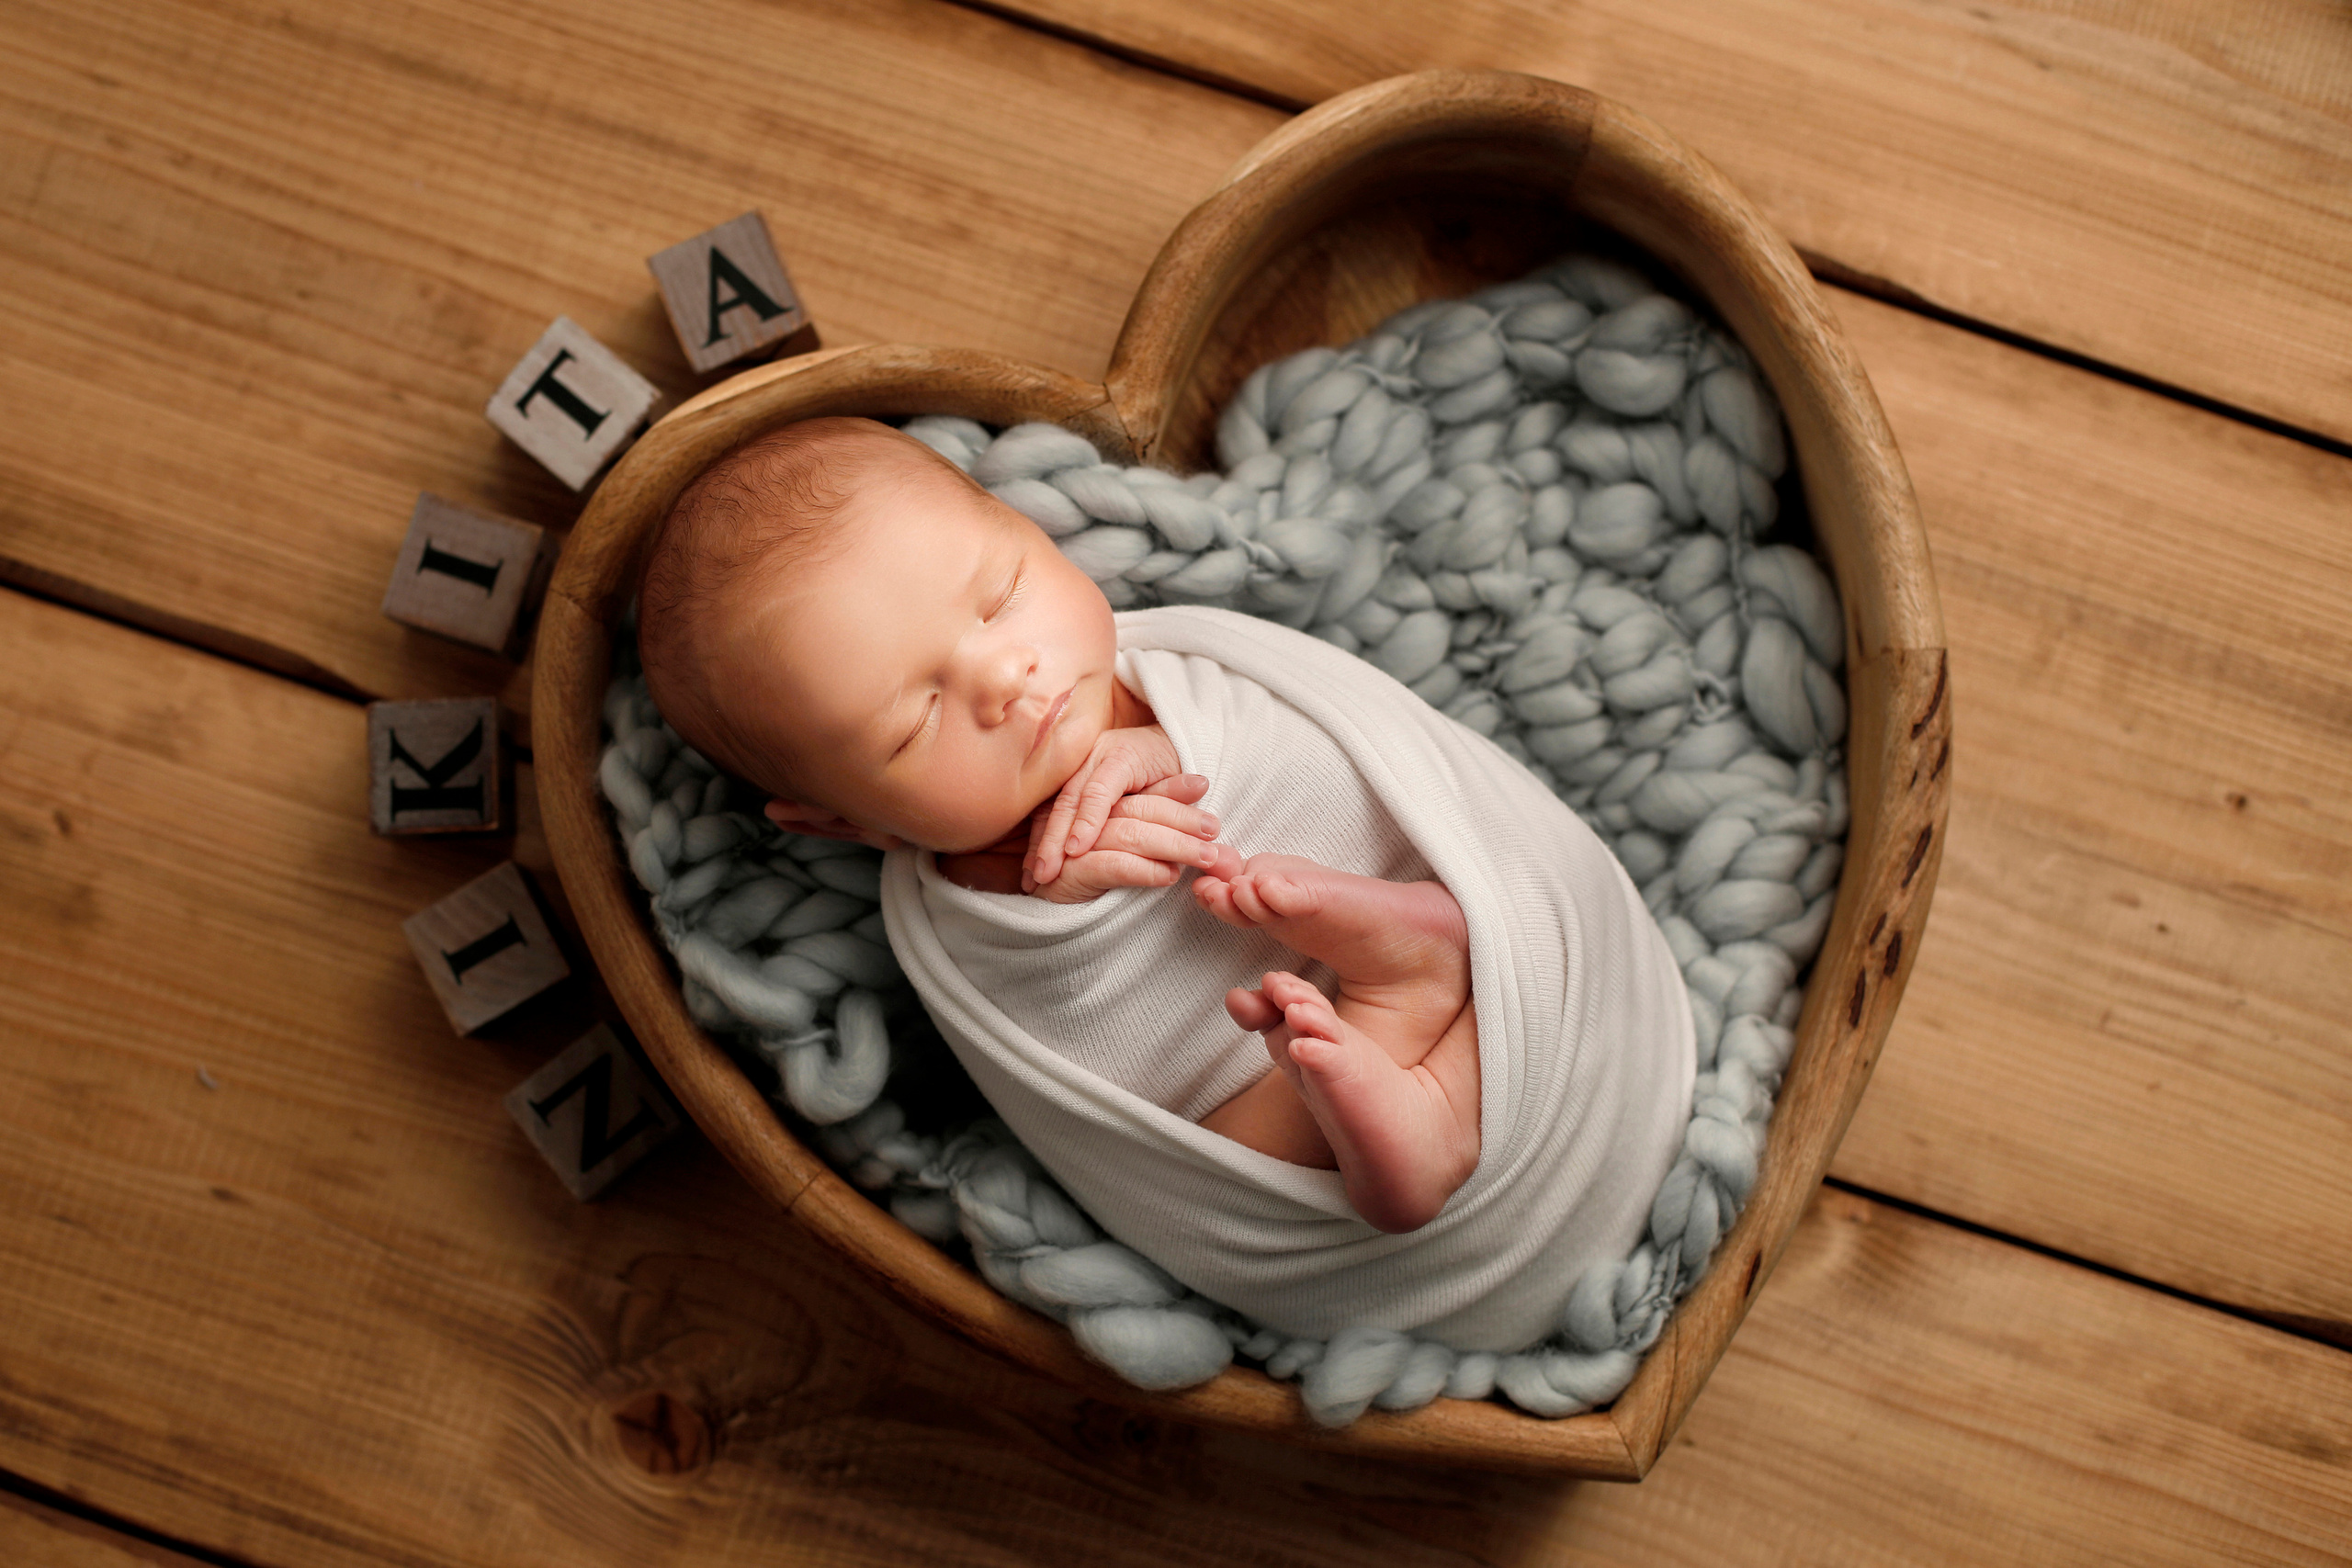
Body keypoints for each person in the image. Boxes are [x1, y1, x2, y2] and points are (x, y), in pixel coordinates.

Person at [638, 415, 1481, 1232]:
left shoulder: (1188, 668)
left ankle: (1412, 997)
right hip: (1284, 1100)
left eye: (1001, 596)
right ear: (839, 820)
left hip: (1495, 983)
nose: (1004, 675)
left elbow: (1341, 741)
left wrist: (1185, 741)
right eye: (915, 721)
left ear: (1036, 534)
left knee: (1500, 932)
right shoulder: (958, 914)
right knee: (1222, 1165)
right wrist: (1054, 903)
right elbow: (1072, 1051)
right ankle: (1407, 1033)